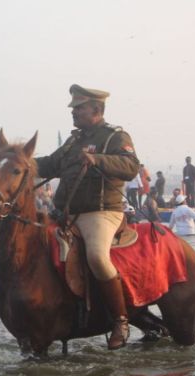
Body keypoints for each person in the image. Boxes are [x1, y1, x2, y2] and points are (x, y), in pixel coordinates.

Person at [35, 84, 140, 350]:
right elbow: (49, 164)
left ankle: (120, 320)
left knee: (96, 256)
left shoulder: (114, 136)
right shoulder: (74, 141)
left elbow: (130, 166)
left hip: (101, 212)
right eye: (74, 108)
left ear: (96, 109)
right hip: (66, 214)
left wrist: (99, 160)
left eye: (79, 108)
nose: (74, 112)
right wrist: (17, 161)